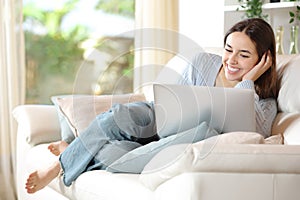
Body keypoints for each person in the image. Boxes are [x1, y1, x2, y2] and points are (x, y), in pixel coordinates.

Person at [25, 18, 278, 193]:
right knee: (114, 117)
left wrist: (246, 83)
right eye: (228, 50)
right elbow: (174, 99)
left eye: (244, 55)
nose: (231, 61)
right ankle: (60, 164)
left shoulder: (265, 104)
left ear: (263, 59)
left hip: (175, 144)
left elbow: (249, 136)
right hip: (157, 119)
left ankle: (71, 150)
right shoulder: (203, 62)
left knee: (114, 157)